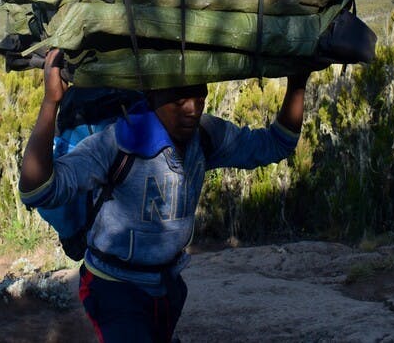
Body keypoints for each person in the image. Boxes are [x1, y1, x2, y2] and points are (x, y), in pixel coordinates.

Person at [19, 49, 310, 342]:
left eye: (199, 98)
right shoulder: (117, 143)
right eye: (178, 100)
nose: (191, 109)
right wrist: (51, 102)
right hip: (114, 288)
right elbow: (37, 190)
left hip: (168, 287)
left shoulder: (205, 136)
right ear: (152, 95)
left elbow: (276, 144)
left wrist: (298, 82)